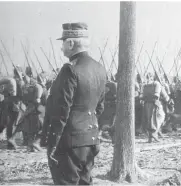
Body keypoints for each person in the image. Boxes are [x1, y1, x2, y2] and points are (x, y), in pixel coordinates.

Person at [47, 22, 107, 185]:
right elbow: (99, 107)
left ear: (71, 43)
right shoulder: (100, 68)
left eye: (63, 42)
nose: (61, 48)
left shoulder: (70, 69)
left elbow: (61, 110)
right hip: (90, 138)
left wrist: (52, 141)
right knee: (85, 182)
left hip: (69, 141)